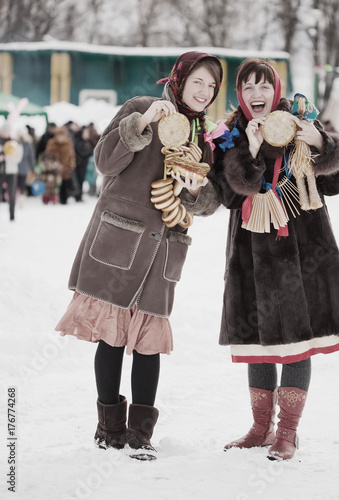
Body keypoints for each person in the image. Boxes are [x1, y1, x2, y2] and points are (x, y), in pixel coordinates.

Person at [55, 51, 223, 460]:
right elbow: (104, 161)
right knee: (111, 336)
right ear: (179, 79)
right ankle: (109, 427)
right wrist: (142, 125)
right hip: (119, 241)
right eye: (197, 81)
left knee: (149, 342)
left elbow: (211, 202)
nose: (203, 92)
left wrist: (194, 190)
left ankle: (140, 434)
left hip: (165, 250)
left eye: (211, 86)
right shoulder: (140, 109)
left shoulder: (205, 137)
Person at [209, 59, 339, 461]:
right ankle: (260, 428)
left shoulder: (300, 123)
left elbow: (338, 182)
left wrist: (319, 143)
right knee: (258, 342)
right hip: (251, 257)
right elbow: (227, 196)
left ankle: (288, 432)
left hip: (304, 254)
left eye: (263, 86)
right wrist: (253, 152)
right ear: (239, 95)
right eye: (247, 88)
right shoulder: (229, 137)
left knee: (298, 342)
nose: (255, 94)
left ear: (275, 90)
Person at [43, 127, 76, 204]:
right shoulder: (51, 143)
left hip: (66, 168)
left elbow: (71, 155)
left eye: (62, 136)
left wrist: (71, 165)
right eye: (58, 136)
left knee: (65, 184)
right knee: (53, 184)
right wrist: (56, 165)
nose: (60, 138)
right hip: (54, 168)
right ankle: (52, 199)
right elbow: (48, 156)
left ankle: (64, 200)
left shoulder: (68, 143)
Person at [0, 124, 23, 221]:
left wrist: (5, 157)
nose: (5, 132)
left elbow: (18, 158)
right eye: (3, 130)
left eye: (6, 130)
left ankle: (12, 215)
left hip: (11, 171)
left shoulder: (15, 143)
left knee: (12, 193)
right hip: (1, 171)